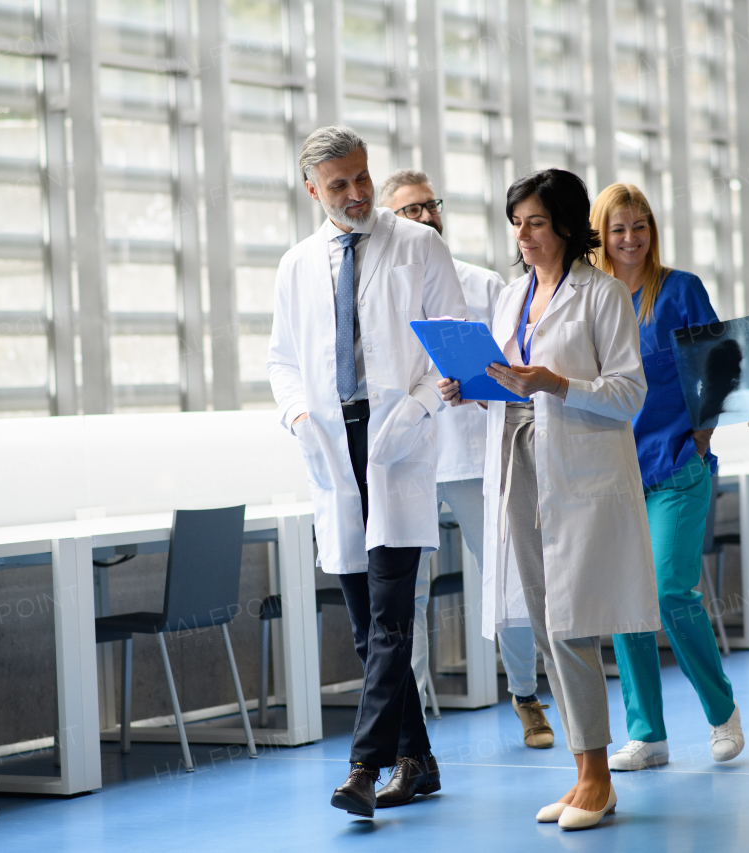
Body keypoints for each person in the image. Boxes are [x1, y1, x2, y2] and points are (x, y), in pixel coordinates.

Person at [439, 169, 660, 831]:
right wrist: (475, 387)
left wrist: (556, 382)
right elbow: (511, 379)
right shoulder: (510, 297)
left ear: (565, 225)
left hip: (581, 470)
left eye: (535, 221)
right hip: (518, 462)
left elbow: (629, 393)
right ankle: (583, 766)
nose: (523, 235)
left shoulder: (602, 296)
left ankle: (598, 776)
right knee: (542, 621)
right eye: (516, 223)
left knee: (571, 622)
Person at [267, 127, 468, 816]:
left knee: (388, 621)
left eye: (361, 179)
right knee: (365, 627)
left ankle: (362, 767)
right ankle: (418, 757)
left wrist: (412, 413)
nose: (356, 195)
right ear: (311, 190)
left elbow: (454, 344)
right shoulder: (296, 264)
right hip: (332, 447)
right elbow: (282, 362)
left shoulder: (419, 246)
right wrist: (297, 417)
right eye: (339, 185)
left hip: (397, 443)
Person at [378, 169, 551, 750]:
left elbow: (518, 366)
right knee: (407, 596)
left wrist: (475, 383)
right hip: (408, 458)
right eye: (411, 210)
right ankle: (414, 721)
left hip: (475, 453)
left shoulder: (484, 286)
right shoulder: (378, 293)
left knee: (509, 578)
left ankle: (527, 695)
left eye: (431, 205)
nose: (427, 216)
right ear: (389, 222)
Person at [589, 183, 744, 771]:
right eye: (618, 229)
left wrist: (700, 440)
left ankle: (721, 712)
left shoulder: (681, 290)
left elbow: (718, 367)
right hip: (611, 471)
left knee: (669, 591)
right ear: (600, 236)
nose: (631, 240)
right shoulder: (593, 298)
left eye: (640, 226)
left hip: (676, 466)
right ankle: (647, 735)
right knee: (625, 601)